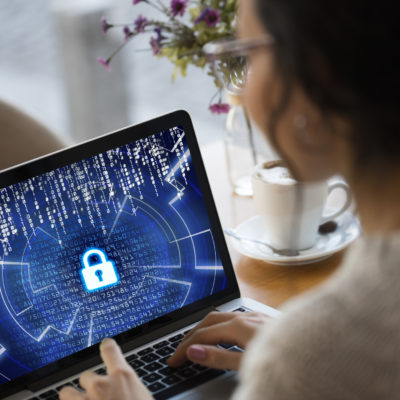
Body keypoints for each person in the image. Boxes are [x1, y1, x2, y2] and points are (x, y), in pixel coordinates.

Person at [60, 0, 400, 398]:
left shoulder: (312, 358)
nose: (240, 85)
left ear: (314, 81)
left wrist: (301, 355)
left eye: (246, 55)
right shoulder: (320, 349)